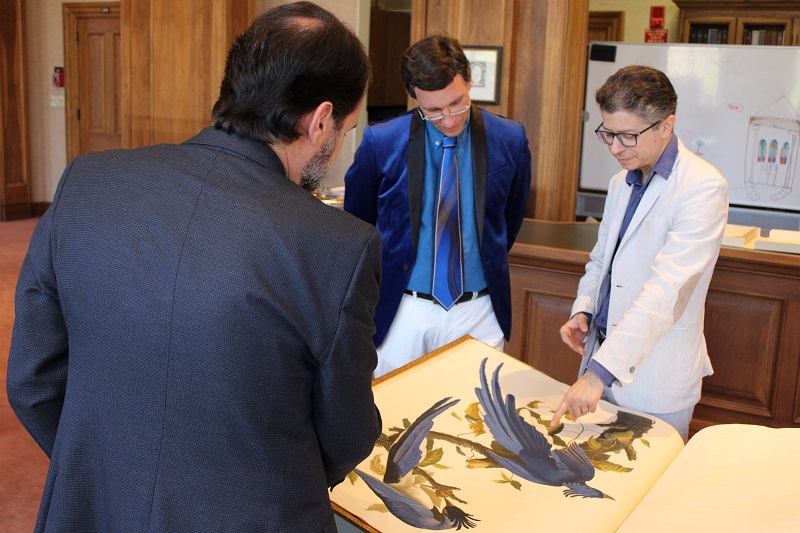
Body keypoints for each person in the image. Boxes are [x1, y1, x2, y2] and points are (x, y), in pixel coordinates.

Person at [7, 3, 382, 531]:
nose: (338, 141)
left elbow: (33, 380)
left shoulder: (87, 183)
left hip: (95, 507)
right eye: (344, 128)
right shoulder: (338, 244)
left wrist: (112, 466)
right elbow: (346, 435)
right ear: (320, 121)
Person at [551, 65, 728, 442]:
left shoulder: (703, 187)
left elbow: (666, 291)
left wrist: (598, 373)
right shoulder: (621, 182)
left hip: (656, 378)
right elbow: (602, 261)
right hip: (602, 362)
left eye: (627, 136)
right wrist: (583, 308)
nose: (615, 148)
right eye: (607, 134)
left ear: (666, 126)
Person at [344, 34, 531, 377]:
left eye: (457, 104)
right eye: (433, 111)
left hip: (479, 307)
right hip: (403, 310)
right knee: (395, 414)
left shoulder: (510, 138)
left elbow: (509, 219)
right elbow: (357, 225)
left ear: (469, 81)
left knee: (476, 418)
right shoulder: (381, 142)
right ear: (413, 97)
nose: (448, 119)